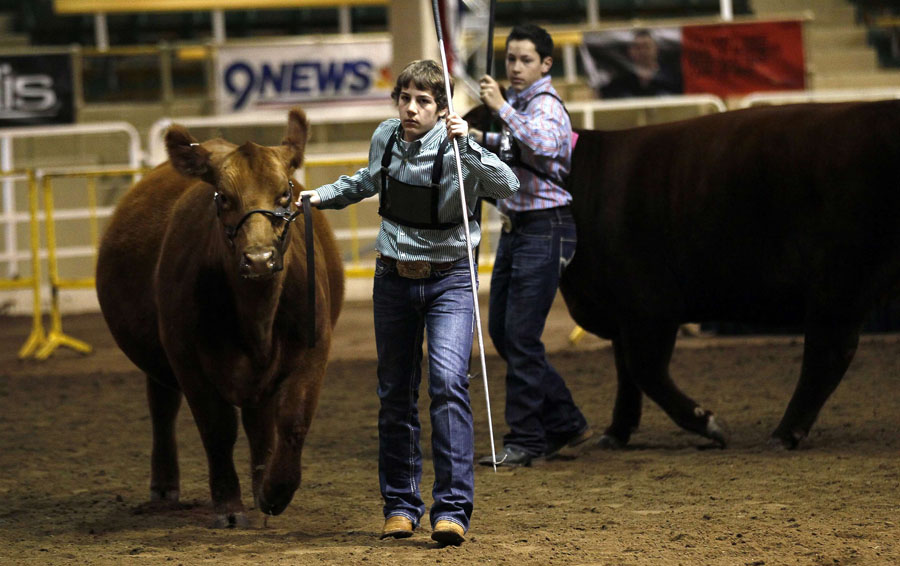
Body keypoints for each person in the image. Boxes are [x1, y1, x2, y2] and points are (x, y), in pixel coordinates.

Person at [298, 60, 518, 546]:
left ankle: (453, 511)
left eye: (423, 101)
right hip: (393, 277)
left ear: (442, 109)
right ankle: (400, 505)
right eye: (405, 98)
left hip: (451, 281)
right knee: (394, 392)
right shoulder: (386, 138)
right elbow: (364, 181)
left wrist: (474, 145)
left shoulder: (461, 147)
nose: (411, 108)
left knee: (446, 384)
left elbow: (508, 187)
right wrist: (316, 197)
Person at [469, 24, 592, 468]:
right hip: (521, 227)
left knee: (518, 334)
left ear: (545, 65)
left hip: (546, 226)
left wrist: (499, 105)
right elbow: (514, 148)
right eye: (510, 60)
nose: (515, 67)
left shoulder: (545, 105)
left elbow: (543, 142)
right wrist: (476, 138)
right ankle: (565, 420)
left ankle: (526, 438)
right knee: (505, 332)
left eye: (524, 60)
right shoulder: (521, 105)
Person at [601, 28, 682, 98]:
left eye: (646, 47)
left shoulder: (673, 79)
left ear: (656, 49)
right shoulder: (620, 82)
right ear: (630, 51)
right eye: (637, 48)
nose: (642, 52)